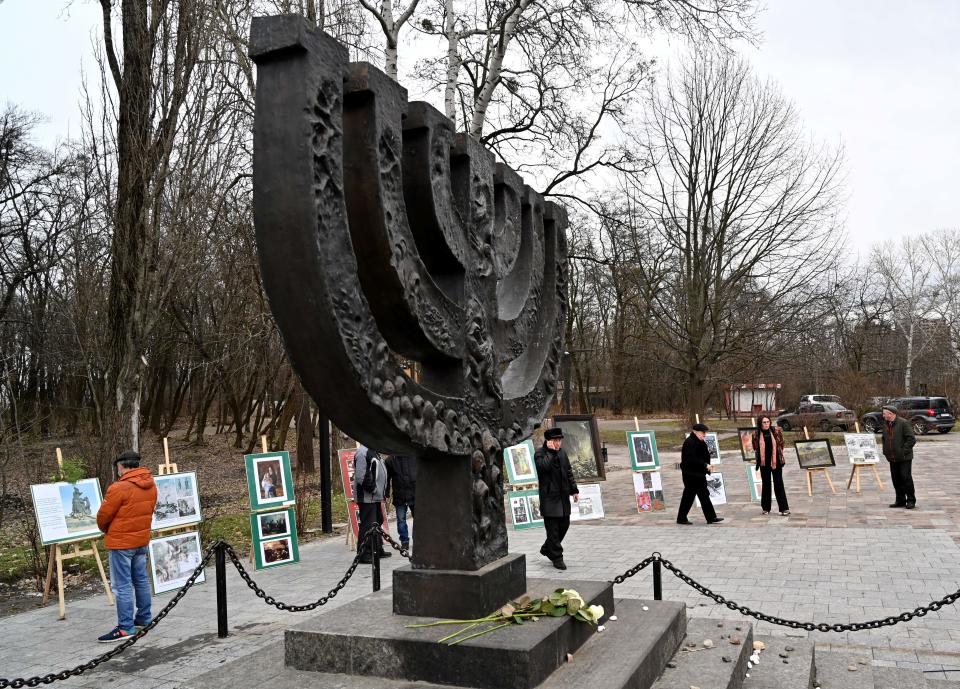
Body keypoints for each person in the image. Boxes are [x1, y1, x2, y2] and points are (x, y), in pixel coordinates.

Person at [95, 450, 158, 642]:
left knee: (122, 585)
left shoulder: (118, 488)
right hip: (141, 540)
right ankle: (144, 618)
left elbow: (103, 517)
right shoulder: (151, 484)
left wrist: (107, 530)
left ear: (121, 466)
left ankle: (125, 627)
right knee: (141, 580)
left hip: (121, 543)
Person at [534, 428, 579, 570]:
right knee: (552, 530)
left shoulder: (563, 453)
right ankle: (557, 557)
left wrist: (574, 490)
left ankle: (548, 548)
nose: (558, 443)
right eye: (555, 440)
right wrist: (551, 452)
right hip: (549, 498)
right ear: (548, 441)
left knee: (564, 525)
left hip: (563, 497)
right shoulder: (540, 454)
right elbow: (543, 468)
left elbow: (569, 472)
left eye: (559, 440)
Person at [676, 423, 723, 525]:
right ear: (695, 432)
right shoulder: (689, 442)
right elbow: (691, 459)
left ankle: (710, 517)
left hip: (698, 474)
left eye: (705, 432)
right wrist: (705, 465)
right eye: (703, 432)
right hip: (691, 475)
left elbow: (703, 456)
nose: (704, 435)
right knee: (692, 496)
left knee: (700, 496)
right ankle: (682, 518)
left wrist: (707, 466)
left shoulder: (699, 441)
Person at [353, 445, 391, 563]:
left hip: (375, 497)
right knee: (368, 525)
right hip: (367, 497)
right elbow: (361, 475)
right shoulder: (363, 452)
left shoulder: (373, 451)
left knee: (377, 521)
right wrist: (374, 489)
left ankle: (377, 549)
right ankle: (364, 554)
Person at [881, 405, 917, 509]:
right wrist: (885, 451)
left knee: (906, 478)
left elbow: (911, 439)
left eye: (884, 413)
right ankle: (900, 500)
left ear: (891, 414)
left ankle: (911, 500)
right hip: (892, 457)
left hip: (904, 457)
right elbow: (884, 439)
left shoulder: (903, 423)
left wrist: (902, 452)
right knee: (896, 479)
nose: (883, 415)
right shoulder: (886, 424)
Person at [752, 416, 790, 516]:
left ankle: (784, 508)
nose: (766, 424)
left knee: (778, 484)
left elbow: (781, 444)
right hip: (764, 463)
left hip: (776, 462)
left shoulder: (776, 431)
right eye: (764, 422)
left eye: (768, 422)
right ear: (760, 423)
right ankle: (766, 508)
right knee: (766, 485)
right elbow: (755, 447)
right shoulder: (756, 433)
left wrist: (777, 456)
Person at [385, 454, 417, 550]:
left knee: (418, 519)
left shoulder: (414, 456)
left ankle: (418, 539)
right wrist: (386, 493)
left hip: (414, 493)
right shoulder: (391, 460)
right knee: (401, 520)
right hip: (400, 495)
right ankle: (404, 541)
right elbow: (387, 477)